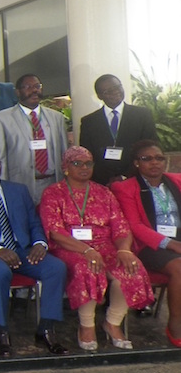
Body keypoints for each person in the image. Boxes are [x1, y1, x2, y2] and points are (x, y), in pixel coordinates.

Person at [0, 148, 68, 357]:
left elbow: (34, 222)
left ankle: (46, 328)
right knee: (0, 272)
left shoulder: (18, 190)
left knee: (56, 268)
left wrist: (39, 243)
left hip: (22, 249)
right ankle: (2, 332)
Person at [39, 147, 153, 351]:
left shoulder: (104, 192)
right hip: (70, 247)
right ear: (66, 167)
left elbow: (121, 227)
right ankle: (86, 325)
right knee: (88, 266)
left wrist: (125, 250)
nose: (84, 168)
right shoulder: (53, 193)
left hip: (104, 246)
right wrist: (86, 250)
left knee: (130, 268)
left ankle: (112, 322)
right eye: (77, 163)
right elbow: (55, 232)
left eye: (88, 163)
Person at [110, 140, 181, 347]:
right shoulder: (125, 188)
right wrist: (171, 244)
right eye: (147, 159)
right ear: (136, 163)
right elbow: (135, 225)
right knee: (179, 267)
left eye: (159, 158)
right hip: (150, 245)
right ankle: (176, 324)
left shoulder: (176, 181)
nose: (155, 163)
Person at [0, 74, 68, 205]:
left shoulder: (56, 117)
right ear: (17, 92)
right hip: (19, 185)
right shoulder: (2, 119)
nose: (34, 90)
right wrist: (4, 190)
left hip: (52, 183)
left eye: (37, 86)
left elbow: (64, 154)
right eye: (28, 87)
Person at [78, 74, 158, 186]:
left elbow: (150, 147)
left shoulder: (142, 115)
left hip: (136, 179)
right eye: (108, 91)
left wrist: (125, 176)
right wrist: (106, 179)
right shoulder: (89, 122)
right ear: (100, 96)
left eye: (117, 87)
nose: (115, 92)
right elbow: (87, 155)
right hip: (102, 183)